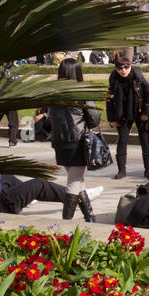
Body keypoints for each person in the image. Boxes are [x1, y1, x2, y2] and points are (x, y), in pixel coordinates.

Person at [48, 57, 99, 222]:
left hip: (59, 141)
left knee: (78, 180)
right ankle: (66, 220)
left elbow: (50, 117)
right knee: (74, 181)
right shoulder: (81, 92)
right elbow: (94, 117)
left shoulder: (54, 93)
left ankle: (90, 217)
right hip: (77, 141)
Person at [106, 54, 149, 180]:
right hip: (122, 113)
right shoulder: (113, 78)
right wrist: (111, 118)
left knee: (145, 140)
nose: (123, 70)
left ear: (130, 66)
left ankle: (148, 169)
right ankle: (121, 170)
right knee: (122, 140)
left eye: (126, 67)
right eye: (119, 68)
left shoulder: (138, 77)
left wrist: (146, 113)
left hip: (139, 111)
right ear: (115, 69)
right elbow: (109, 99)